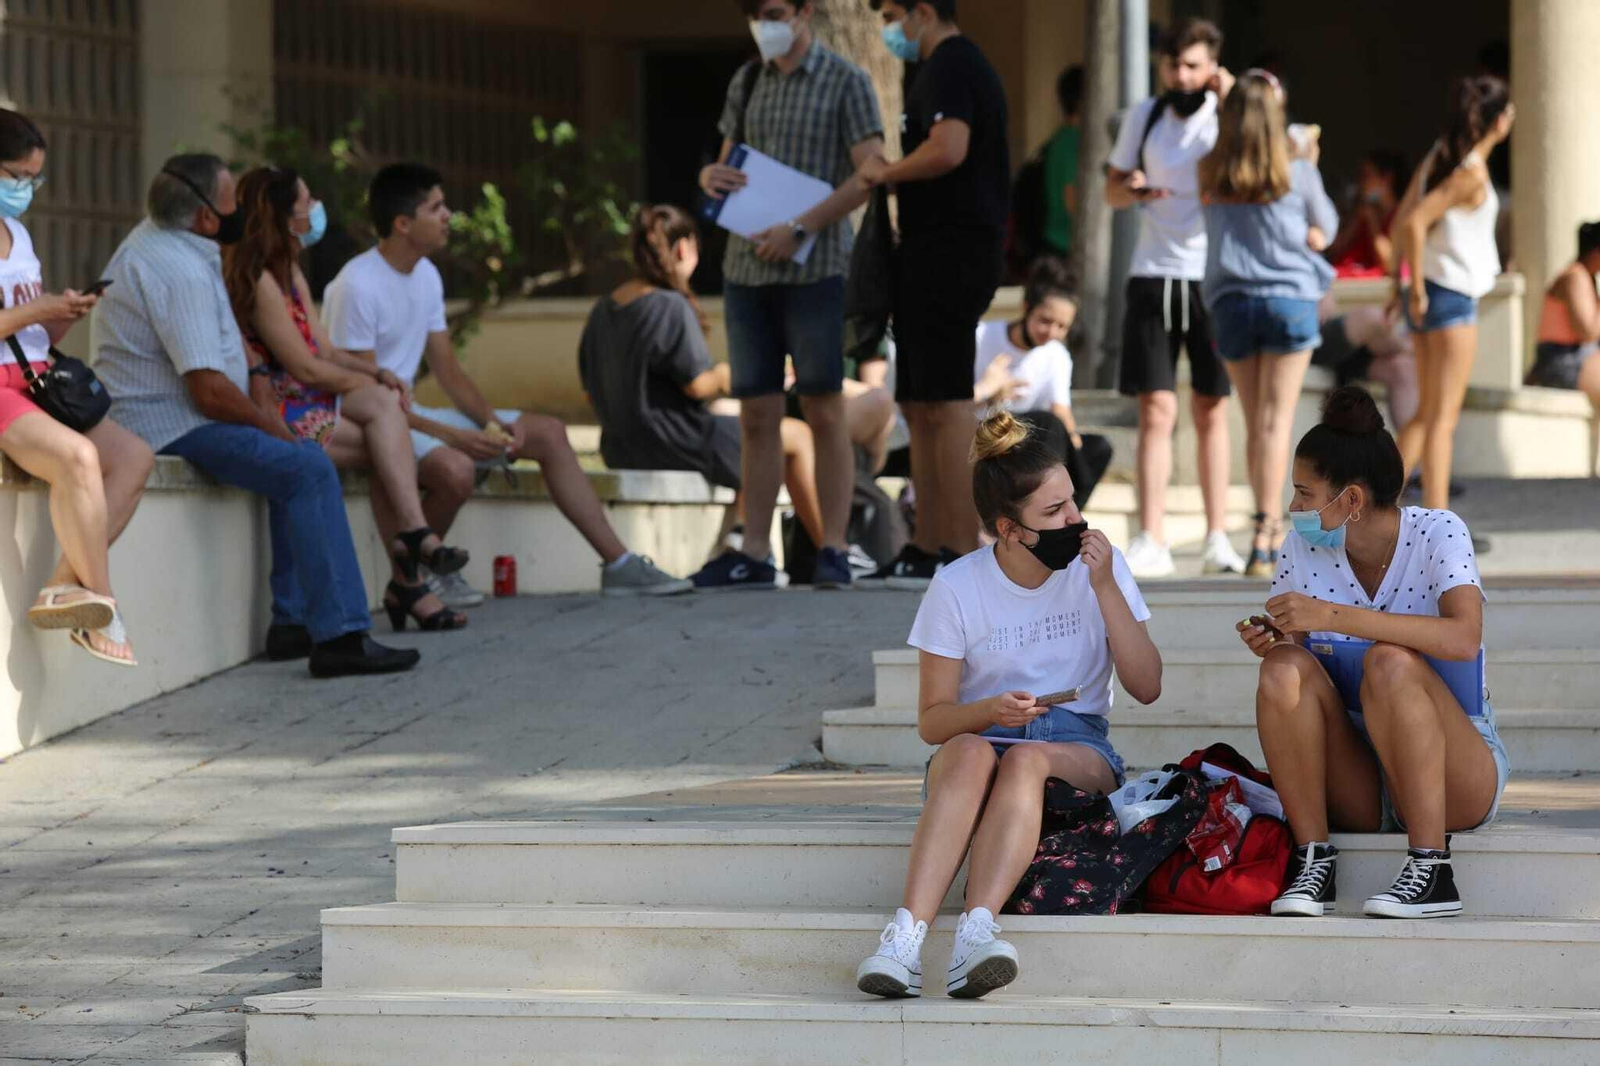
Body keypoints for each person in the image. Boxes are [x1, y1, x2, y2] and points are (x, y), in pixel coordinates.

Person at [855, 410, 1160, 999]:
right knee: (971, 753)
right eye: (1054, 513)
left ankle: (976, 929)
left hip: (1078, 743)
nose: (1075, 520)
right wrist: (990, 711)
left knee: (1028, 760)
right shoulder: (956, 585)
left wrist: (1104, 588)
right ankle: (905, 940)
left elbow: (1147, 685)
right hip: (982, 740)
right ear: (1008, 528)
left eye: (1072, 502)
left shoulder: (1103, 569)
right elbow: (932, 722)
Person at [92, 154, 419, 678]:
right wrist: (275, 429)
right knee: (307, 465)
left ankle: (292, 623)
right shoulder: (177, 268)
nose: (240, 211)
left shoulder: (166, 241)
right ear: (204, 217)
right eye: (231, 203)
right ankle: (341, 636)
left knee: (297, 467)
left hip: (177, 416)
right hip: (174, 425)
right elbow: (209, 393)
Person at [322, 163, 691, 601]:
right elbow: (365, 397)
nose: (449, 216)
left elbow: (449, 372)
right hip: (368, 420)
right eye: (437, 208)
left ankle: (620, 565)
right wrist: (455, 435)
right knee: (455, 470)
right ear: (403, 224)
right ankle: (419, 575)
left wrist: (493, 424)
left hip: (407, 413)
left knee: (548, 433)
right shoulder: (356, 285)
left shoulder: (426, 275)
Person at [1240, 386, 1509, 919]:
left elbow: (1463, 638)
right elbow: (1302, 667)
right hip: (1361, 771)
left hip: (1457, 771)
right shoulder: (1301, 546)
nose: (1293, 508)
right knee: (1282, 668)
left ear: (1353, 500)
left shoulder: (1438, 531)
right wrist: (1278, 640)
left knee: (1390, 661)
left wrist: (1333, 617)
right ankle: (1314, 860)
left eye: (1304, 493)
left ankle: (1433, 868)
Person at [223, 166, 468, 632]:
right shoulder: (258, 278)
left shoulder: (290, 269)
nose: (316, 210)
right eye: (306, 203)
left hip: (309, 398)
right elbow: (305, 367)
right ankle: (412, 559)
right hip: (279, 407)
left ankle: (414, 542)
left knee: (383, 414)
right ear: (283, 217)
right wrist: (369, 385)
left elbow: (327, 349)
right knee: (385, 431)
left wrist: (378, 372)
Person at [694, 0, 886, 590]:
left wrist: (800, 225)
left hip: (816, 270)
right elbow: (728, 164)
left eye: (774, 10)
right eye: (754, 12)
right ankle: (754, 550)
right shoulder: (748, 77)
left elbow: (871, 171)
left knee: (824, 409)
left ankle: (833, 545)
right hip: (746, 269)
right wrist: (709, 177)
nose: (764, 22)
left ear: (804, 13)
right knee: (758, 412)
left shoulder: (845, 80)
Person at [578, 203, 828, 566]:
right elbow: (697, 385)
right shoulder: (669, 305)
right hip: (675, 438)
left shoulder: (603, 309)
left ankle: (743, 530)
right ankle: (831, 550)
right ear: (683, 249)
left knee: (747, 432)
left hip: (618, 445)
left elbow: (588, 391)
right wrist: (727, 374)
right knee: (795, 435)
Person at [858, 0, 1010, 590]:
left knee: (946, 404)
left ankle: (956, 546)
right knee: (918, 405)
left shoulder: (953, 63)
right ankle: (924, 545)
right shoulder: (935, 68)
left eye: (894, 13)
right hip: (925, 254)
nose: (889, 28)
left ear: (924, 10)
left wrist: (885, 172)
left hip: (954, 252)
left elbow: (949, 147)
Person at [0, 108, 151, 666]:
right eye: (16, 177)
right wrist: (37, 308)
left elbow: (27, 326)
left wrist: (62, 314)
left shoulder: (17, 232)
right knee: (78, 458)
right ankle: (103, 606)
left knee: (134, 457)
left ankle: (67, 584)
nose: (27, 190)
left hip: (35, 378)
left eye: (34, 179)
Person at [1104, 18, 1243, 579]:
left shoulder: (1229, 113)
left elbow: (1264, 163)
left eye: (1193, 65)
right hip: (1153, 272)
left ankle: (1217, 538)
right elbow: (1112, 190)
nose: (1181, 76)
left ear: (1213, 67)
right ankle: (1152, 536)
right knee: (1156, 410)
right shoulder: (1145, 115)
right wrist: (1132, 188)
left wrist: (1231, 99)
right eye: (1173, 65)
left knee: (1212, 408)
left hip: (1212, 275)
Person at [1199, 69, 1337, 577]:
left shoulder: (1210, 170)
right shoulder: (1297, 170)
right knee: (1278, 421)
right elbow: (1329, 226)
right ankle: (1272, 531)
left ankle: (1261, 530)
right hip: (1290, 299)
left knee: (1255, 420)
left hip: (1232, 301)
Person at [1391, 77, 1514, 513]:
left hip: (1429, 293)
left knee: (1428, 415)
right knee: (1442, 420)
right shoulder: (1470, 175)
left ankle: (1373, 508)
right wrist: (1416, 288)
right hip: (1450, 296)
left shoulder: (1439, 157)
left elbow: (1403, 217)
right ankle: (1439, 524)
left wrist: (1399, 284)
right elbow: (1414, 222)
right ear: (1500, 121)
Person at [971, 256, 1112, 511]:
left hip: (1032, 445)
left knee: (1098, 448)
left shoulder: (1056, 354)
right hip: (987, 438)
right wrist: (990, 392)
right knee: (1050, 424)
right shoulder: (982, 336)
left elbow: (1061, 409)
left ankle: (1059, 519)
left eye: (1062, 326)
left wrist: (1076, 448)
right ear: (1026, 308)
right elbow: (953, 407)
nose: (1051, 332)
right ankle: (1052, 514)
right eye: (1045, 321)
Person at [1524, 220, 1600, 411]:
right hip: (1561, 361)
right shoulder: (1574, 277)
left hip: (1577, 357)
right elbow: (1587, 332)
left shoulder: (1585, 277)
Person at [1040, 65, 1084, 258]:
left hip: (1056, 240)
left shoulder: (1059, 138)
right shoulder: (1074, 141)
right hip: (1066, 245)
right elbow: (1071, 199)